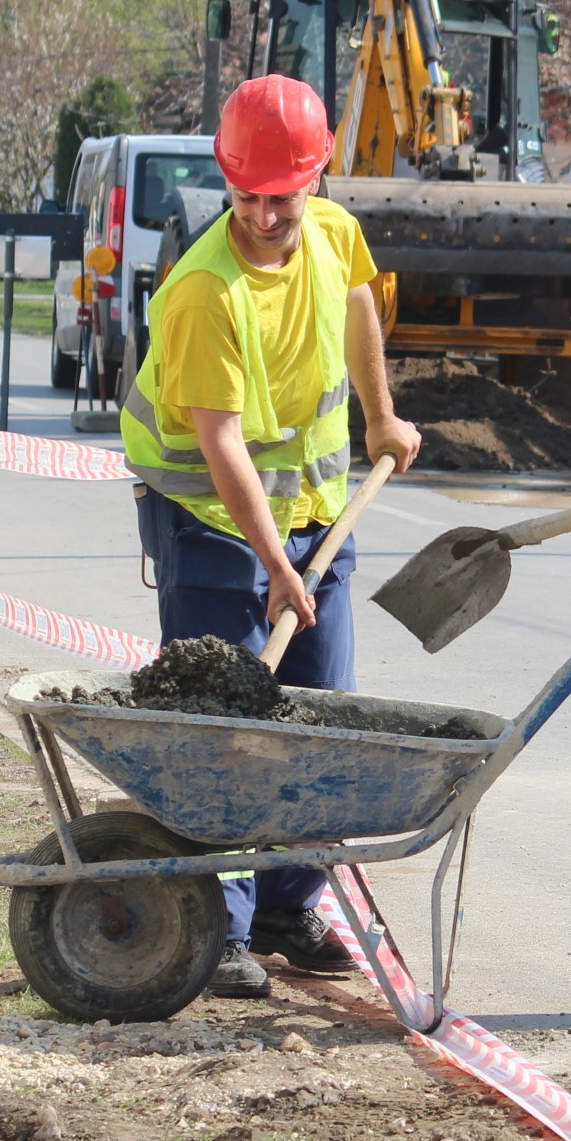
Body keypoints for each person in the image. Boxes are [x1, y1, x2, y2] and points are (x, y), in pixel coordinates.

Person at [121, 74, 423, 999]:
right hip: (215, 529)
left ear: (315, 181)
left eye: (282, 197)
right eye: (246, 194)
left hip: (319, 515)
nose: (263, 213)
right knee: (229, 731)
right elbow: (220, 444)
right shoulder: (205, 291)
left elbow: (361, 303)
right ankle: (218, 927)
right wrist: (272, 564)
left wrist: (381, 417)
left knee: (317, 715)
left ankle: (294, 903)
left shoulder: (332, 234)